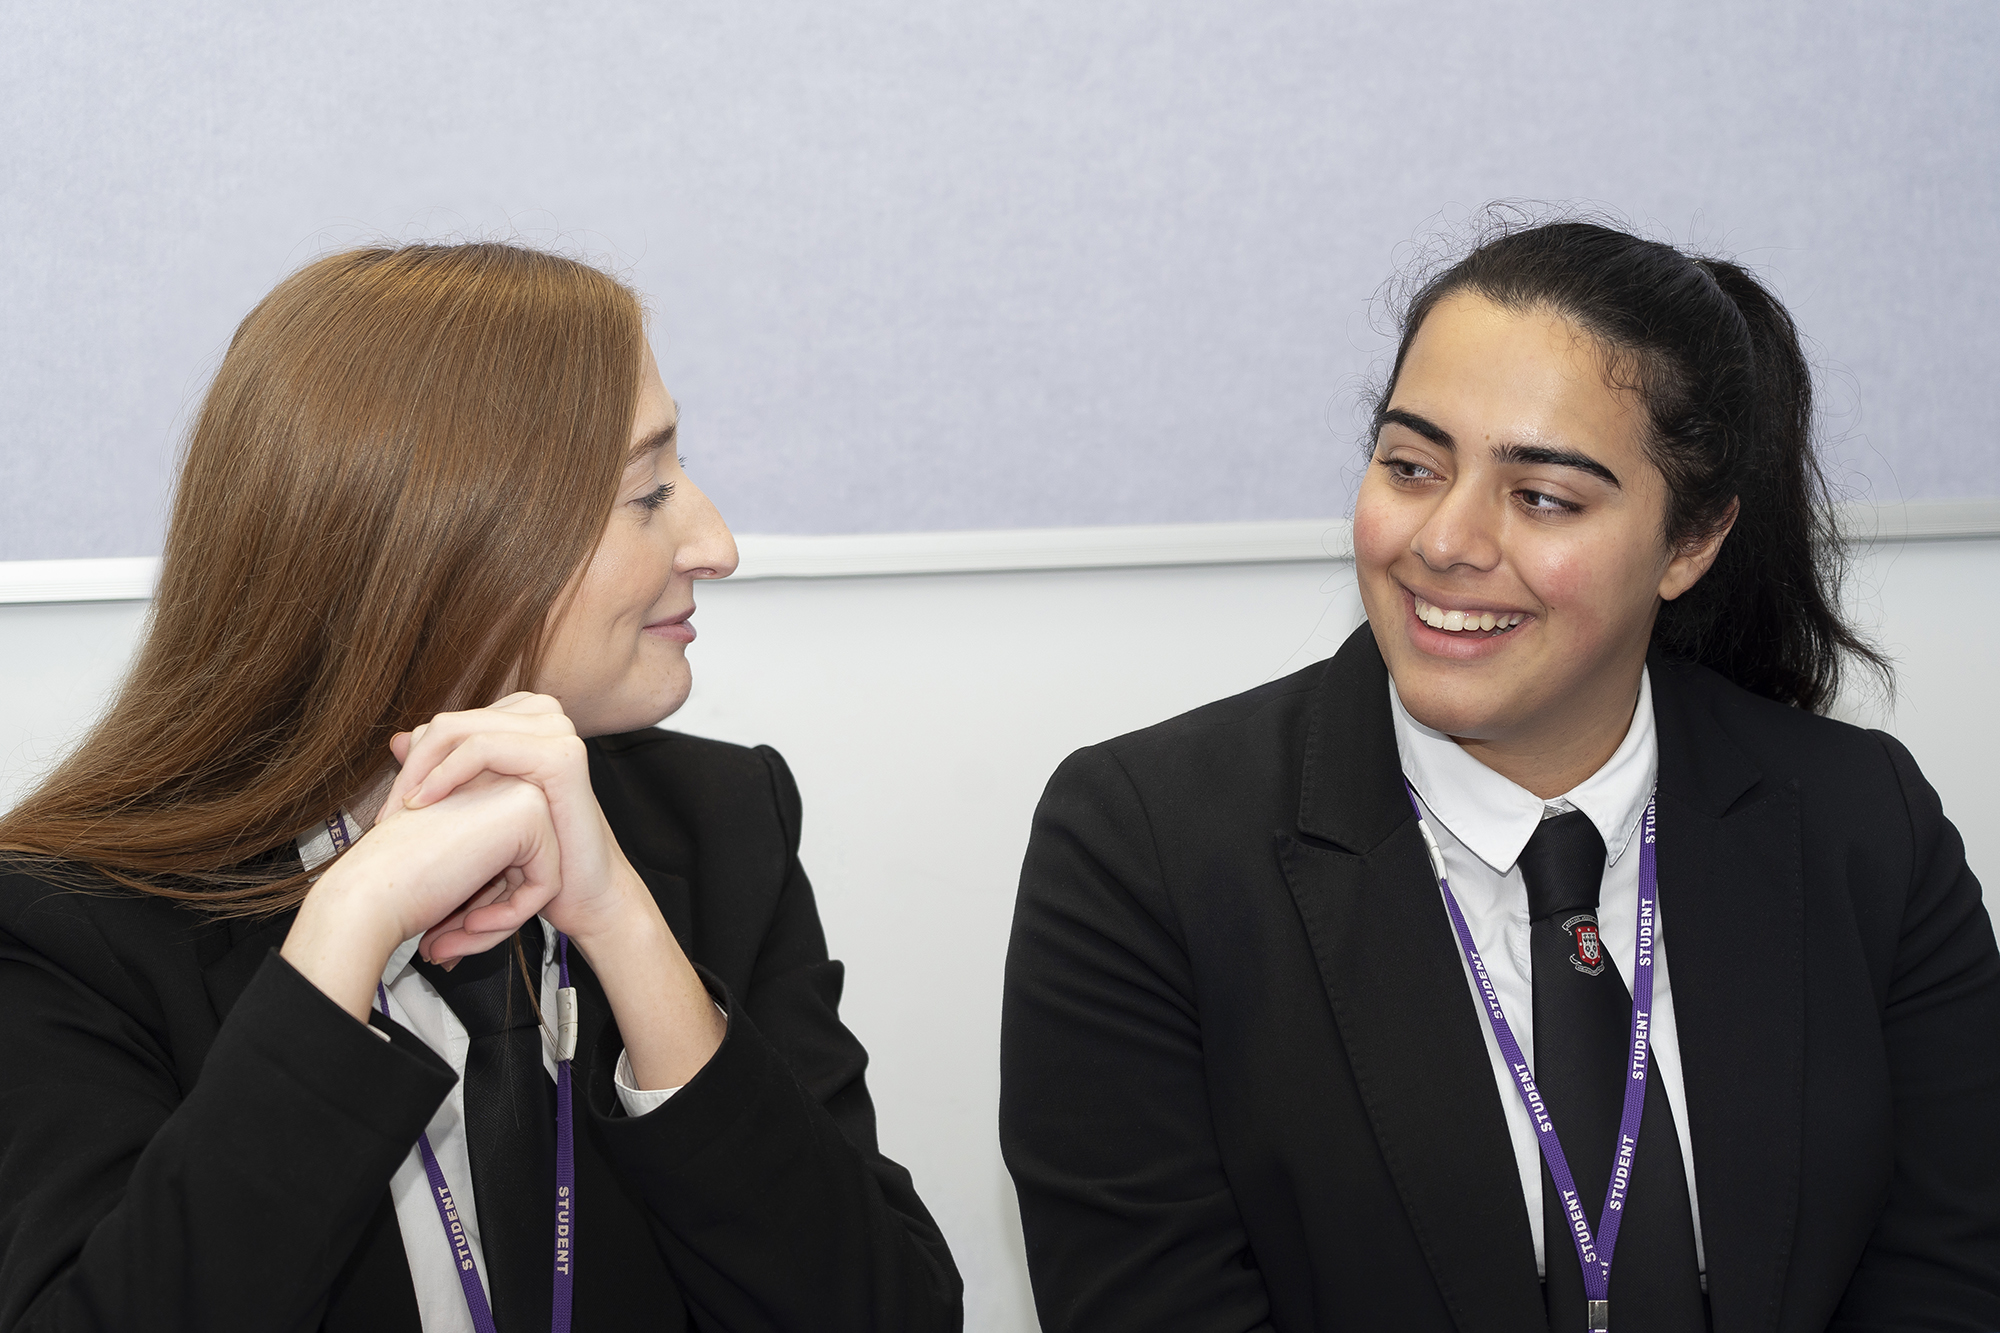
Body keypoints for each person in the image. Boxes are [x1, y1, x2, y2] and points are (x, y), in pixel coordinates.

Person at [1000, 218, 2000, 1332]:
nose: (1444, 539)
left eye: (1541, 497)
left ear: (1690, 542)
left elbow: (1949, 1270)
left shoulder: (1864, 823)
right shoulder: (1146, 849)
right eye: (1410, 466)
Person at [0, 242, 962, 1332]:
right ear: (436, 544)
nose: (714, 542)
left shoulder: (716, 823)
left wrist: (624, 931)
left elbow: (895, 1312)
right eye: (646, 492)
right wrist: (346, 928)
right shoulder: (65, 928)